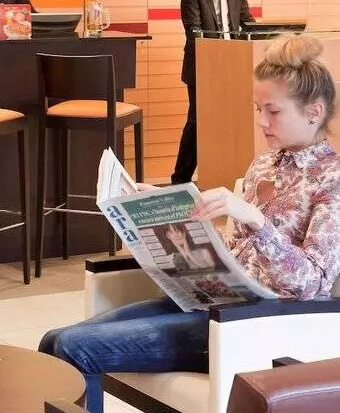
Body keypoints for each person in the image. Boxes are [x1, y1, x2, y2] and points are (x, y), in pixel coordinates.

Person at [39, 35, 340, 413]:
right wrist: (169, 213)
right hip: (211, 304)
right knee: (52, 341)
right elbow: (236, 257)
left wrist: (256, 220)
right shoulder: (265, 163)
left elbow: (313, 284)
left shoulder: (331, 179)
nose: (262, 121)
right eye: (258, 108)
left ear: (314, 111)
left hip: (256, 324)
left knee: (73, 347)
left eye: (273, 111)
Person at [172, 0, 255, 185]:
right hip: (203, 67)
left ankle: (225, 176)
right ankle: (180, 180)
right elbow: (193, 30)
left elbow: (246, 21)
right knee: (198, 122)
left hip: (234, 65)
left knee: (230, 121)